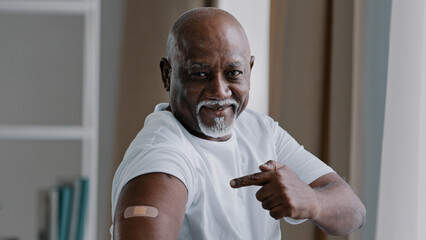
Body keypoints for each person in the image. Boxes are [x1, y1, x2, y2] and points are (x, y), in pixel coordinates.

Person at [111, 7, 366, 240]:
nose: (220, 91)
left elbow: (354, 213)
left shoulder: (259, 129)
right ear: (167, 75)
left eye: (233, 73)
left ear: (250, 70)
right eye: (200, 74)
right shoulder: (162, 159)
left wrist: (312, 201)